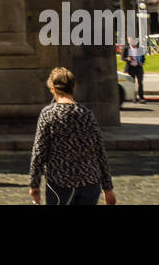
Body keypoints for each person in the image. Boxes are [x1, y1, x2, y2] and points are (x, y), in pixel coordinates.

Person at [29, 67, 116, 206]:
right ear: (73, 87)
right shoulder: (86, 113)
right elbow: (100, 151)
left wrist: (34, 184)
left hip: (60, 183)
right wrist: (108, 188)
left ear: (53, 88)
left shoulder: (48, 114)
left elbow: (39, 152)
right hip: (89, 182)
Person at [124, 37, 146, 103]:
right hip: (131, 68)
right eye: (131, 40)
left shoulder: (139, 48)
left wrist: (142, 62)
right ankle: (134, 97)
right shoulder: (126, 48)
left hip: (139, 68)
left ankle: (141, 97)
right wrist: (127, 59)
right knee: (132, 84)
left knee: (140, 83)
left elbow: (143, 57)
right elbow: (122, 57)